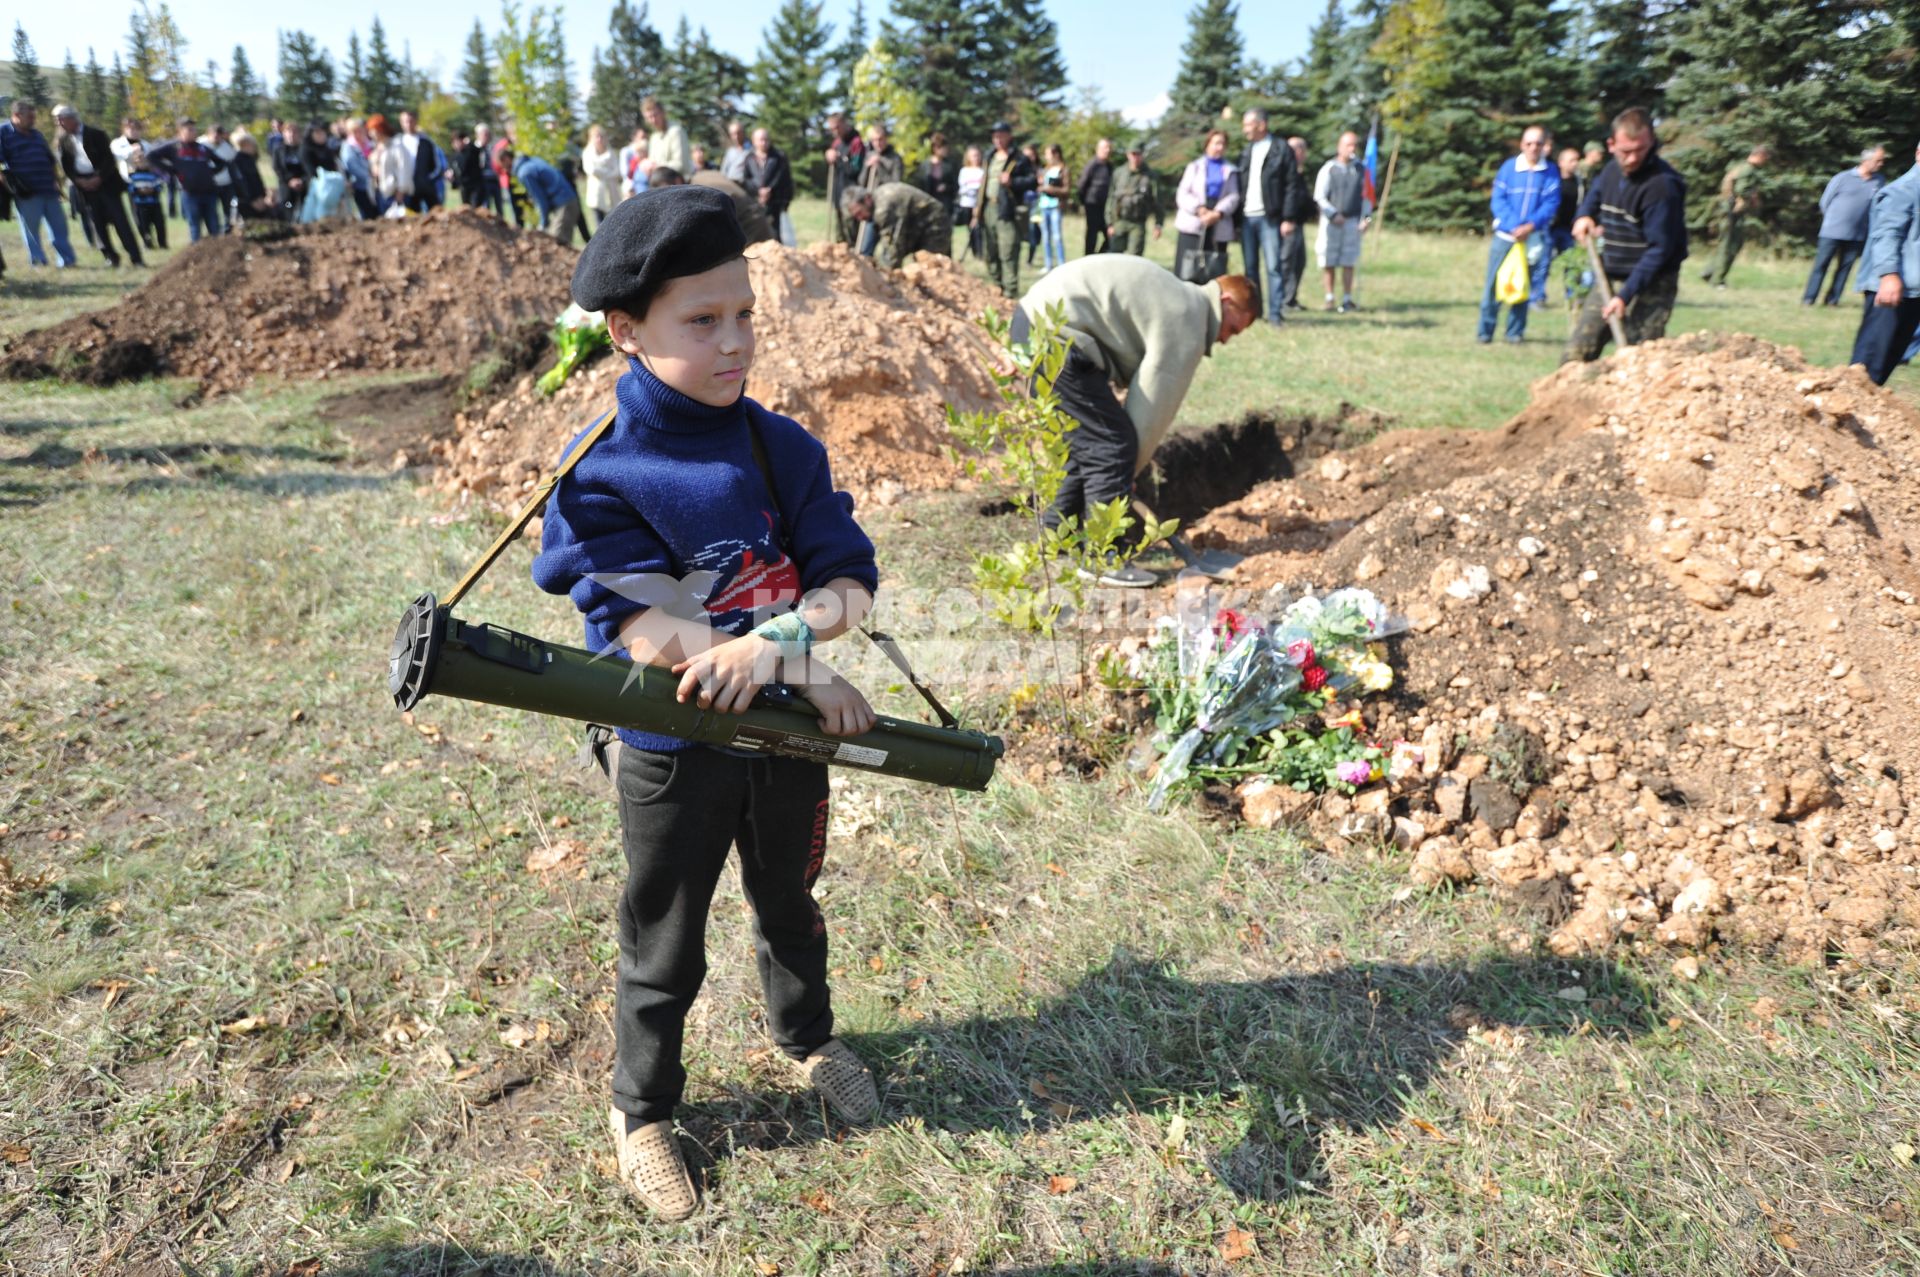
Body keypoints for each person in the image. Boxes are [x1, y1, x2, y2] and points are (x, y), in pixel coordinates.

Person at [530, 184, 884, 1221]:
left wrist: (785, 651)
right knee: (664, 937)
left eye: (744, 315)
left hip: (783, 739)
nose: (734, 343)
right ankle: (643, 1110)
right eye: (702, 320)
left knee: (791, 901)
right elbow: (648, 629)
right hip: (671, 744)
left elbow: (849, 583)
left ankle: (808, 1038)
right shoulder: (603, 470)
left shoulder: (783, 447)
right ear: (628, 331)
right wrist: (799, 667)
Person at [1016, 256, 1257, 586]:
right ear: (1226, 301)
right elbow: (1152, 407)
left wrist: (1119, 471)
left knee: (1089, 444)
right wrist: (1125, 469)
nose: (1226, 339)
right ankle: (1104, 556)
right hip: (1055, 336)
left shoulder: (1184, 300)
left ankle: (1056, 537)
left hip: (1033, 324)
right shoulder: (1188, 320)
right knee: (1112, 445)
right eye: (1232, 328)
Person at [1564, 107, 1689, 363]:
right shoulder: (1610, 171)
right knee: (1577, 353)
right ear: (1611, 145)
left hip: (1653, 280)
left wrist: (1625, 295)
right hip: (1611, 273)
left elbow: (1659, 250)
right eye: (1625, 151)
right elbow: (1595, 195)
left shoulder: (1662, 187)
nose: (1632, 159)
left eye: (1639, 150)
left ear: (1651, 142)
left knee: (1639, 358)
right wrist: (1584, 215)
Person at [1476, 125, 1560, 344]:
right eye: (1529, 143)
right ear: (1522, 145)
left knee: (1523, 287)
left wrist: (1530, 227)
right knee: (1493, 286)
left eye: (1538, 144)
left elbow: (1551, 204)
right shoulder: (1508, 168)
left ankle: (1514, 333)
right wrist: (1514, 225)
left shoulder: (1550, 172)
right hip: (1505, 237)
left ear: (1544, 146)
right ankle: (1485, 332)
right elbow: (1498, 200)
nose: (1533, 148)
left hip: (1532, 239)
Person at [1848, 141, 1920, 385]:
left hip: (1914, 292)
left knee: (1887, 363)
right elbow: (1887, 234)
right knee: (1867, 368)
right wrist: (1889, 275)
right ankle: (1842, 414)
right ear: (1918, 153)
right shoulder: (1904, 190)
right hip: (1892, 289)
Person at [52, 105, 144, 268]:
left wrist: (99, 177)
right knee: (97, 224)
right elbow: (65, 164)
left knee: (120, 221)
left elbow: (109, 159)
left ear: (72, 118)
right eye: (57, 120)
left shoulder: (96, 134)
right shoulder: (63, 140)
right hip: (84, 186)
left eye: (61, 119)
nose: (59, 123)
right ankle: (110, 256)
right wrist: (78, 180)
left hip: (106, 182)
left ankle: (135, 258)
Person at [1237, 108, 1303, 324]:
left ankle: (1275, 314)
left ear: (1261, 125)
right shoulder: (1247, 151)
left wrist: (1288, 218)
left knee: (1274, 267)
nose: (1244, 129)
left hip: (1271, 218)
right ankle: (1255, 313)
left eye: (1248, 124)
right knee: (1250, 268)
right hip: (1247, 218)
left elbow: (1291, 185)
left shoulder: (1281, 149)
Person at [1805, 146, 1886, 306]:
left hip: (1857, 235)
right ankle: (1809, 298)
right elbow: (1825, 202)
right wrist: (1833, 221)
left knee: (1844, 269)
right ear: (1866, 161)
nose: (1881, 164)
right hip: (1831, 233)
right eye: (1878, 160)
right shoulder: (1842, 178)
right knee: (1821, 266)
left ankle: (1832, 300)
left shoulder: (1879, 181)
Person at [1, 101, 79, 268]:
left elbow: (50, 160)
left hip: (48, 188)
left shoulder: (36, 134)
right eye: (30, 117)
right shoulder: (3, 133)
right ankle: (38, 261)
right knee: (31, 229)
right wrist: (9, 186)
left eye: (34, 116)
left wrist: (57, 183)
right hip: (26, 191)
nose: (33, 120)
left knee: (59, 227)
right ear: (16, 115)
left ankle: (67, 260)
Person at [146, 116, 229, 243]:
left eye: (194, 129)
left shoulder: (202, 148)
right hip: (190, 193)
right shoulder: (174, 147)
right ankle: (197, 256)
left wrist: (209, 172)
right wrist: (171, 170)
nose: (193, 132)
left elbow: (221, 162)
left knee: (214, 226)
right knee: (195, 227)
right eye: (189, 130)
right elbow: (151, 156)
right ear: (180, 132)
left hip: (209, 192)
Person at [976, 122, 1035, 299]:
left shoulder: (1018, 158)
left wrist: (1013, 182)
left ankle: (1010, 292)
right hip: (988, 208)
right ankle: (997, 288)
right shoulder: (990, 156)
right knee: (990, 252)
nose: (998, 140)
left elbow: (1032, 181)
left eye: (1001, 135)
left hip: (1007, 210)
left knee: (1008, 251)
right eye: (995, 136)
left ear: (1009, 136)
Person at [1174, 129, 1240, 285]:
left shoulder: (1231, 170)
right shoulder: (1195, 166)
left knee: (1213, 270)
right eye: (1216, 143)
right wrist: (1200, 209)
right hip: (1195, 219)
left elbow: (1234, 195)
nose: (1219, 147)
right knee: (1187, 269)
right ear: (1207, 145)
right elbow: (1183, 192)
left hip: (1218, 219)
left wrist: (1218, 213)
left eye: (1223, 144)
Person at [651, 164, 777, 245]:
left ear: (677, 181)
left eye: (667, 190)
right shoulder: (705, 174)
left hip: (751, 233)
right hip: (761, 221)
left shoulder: (694, 194)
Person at [1315, 131, 1371, 312]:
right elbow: (1320, 196)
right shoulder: (1328, 169)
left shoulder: (1361, 170)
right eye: (1348, 145)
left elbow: (1367, 198)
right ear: (1340, 147)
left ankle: (1347, 298)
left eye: (1354, 145)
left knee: (1349, 260)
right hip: (1331, 223)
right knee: (1328, 260)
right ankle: (1329, 297)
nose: (1352, 149)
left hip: (1352, 221)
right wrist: (1332, 214)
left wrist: (1366, 218)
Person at [840, 182, 951, 269]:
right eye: (856, 216)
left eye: (860, 213)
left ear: (867, 200)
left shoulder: (883, 209)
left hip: (934, 224)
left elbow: (893, 248)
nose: (860, 219)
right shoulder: (876, 202)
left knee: (930, 265)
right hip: (916, 225)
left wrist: (888, 279)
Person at [1703, 144, 1769, 288]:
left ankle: (1710, 273)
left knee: (1727, 244)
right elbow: (1742, 189)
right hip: (1732, 212)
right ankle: (1717, 280)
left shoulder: (1741, 166)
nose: (1766, 162)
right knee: (1730, 246)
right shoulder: (1748, 170)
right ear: (1760, 156)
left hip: (1729, 212)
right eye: (1765, 158)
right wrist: (1752, 197)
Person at [507, 146, 582, 245]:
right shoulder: (533, 160)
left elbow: (541, 199)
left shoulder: (524, 173)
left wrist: (542, 223)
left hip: (565, 204)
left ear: (505, 160)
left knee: (556, 243)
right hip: (567, 200)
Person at [1109, 143, 1162, 256]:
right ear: (1128, 155)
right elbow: (1111, 198)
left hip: (1138, 223)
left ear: (1142, 155)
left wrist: (1158, 224)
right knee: (1114, 257)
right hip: (1119, 221)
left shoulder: (1150, 176)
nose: (1135, 157)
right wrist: (1109, 223)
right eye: (1133, 154)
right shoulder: (1119, 173)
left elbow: (1157, 202)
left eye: (1138, 154)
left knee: (1135, 258)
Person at [744, 128, 794, 247]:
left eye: (766, 139)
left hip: (776, 203)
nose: (764, 143)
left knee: (776, 234)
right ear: (754, 141)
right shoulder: (749, 158)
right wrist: (758, 192)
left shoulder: (779, 157)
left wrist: (770, 190)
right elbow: (746, 179)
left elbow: (783, 178)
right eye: (761, 140)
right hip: (756, 203)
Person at [1547, 145, 1583, 307]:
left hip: (1569, 230)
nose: (1575, 163)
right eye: (1571, 160)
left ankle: (1572, 297)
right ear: (1561, 162)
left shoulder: (1580, 183)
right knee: (1543, 263)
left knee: (1571, 265)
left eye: (1577, 160)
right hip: (1549, 229)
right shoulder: (1552, 181)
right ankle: (1536, 297)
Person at [397, 110, 446, 213]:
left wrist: (428, 179)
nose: (409, 124)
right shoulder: (398, 143)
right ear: (401, 123)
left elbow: (438, 165)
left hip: (427, 187)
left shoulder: (427, 142)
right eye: (406, 121)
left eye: (411, 121)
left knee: (436, 214)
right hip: (408, 188)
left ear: (416, 121)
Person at [1281, 136, 1309, 308]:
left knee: (1299, 262)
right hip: (1288, 225)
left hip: (1299, 224)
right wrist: (1287, 218)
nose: (1301, 153)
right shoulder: (1284, 173)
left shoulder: (1299, 173)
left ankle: (1291, 298)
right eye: (1299, 149)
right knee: (1287, 262)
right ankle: (1284, 299)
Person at [227, 130, 277, 225]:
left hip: (257, 200)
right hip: (246, 203)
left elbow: (256, 181)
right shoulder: (237, 161)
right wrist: (252, 200)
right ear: (246, 145)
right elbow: (241, 183)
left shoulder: (249, 160)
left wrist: (263, 195)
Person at [1077, 137, 1114, 257]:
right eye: (1105, 148)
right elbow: (1081, 185)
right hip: (1092, 205)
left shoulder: (1110, 166)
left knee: (1110, 236)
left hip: (1106, 207)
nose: (1107, 150)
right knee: (1092, 235)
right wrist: (1085, 202)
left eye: (1109, 148)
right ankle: (1088, 259)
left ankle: (1099, 256)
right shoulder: (1092, 165)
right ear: (1098, 149)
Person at [126, 145, 169, 245]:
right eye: (138, 160)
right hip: (141, 205)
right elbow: (131, 188)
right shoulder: (133, 176)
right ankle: (147, 242)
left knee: (159, 224)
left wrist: (152, 190)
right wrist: (140, 191)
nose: (142, 162)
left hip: (154, 203)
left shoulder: (153, 174)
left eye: (144, 160)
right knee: (144, 225)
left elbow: (159, 185)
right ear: (134, 162)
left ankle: (162, 243)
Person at [582, 125, 622, 233]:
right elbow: (591, 170)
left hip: (612, 194)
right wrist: (607, 172)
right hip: (597, 196)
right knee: (600, 227)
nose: (599, 139)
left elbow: (617, 171)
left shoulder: (611, 153)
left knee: (614, 224)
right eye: (596, 136)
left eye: (601, 136)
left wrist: (602, 172)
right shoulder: (588, 153)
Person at [1036, 144, 1070, 271]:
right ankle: (1048, 264)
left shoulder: (1063, 170)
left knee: (1057, 237)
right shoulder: (1045, 169)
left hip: (1055, 206)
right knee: (1045, 237)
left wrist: (1050, 189)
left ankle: (1061, 265)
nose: (1046, 157)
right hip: (1044, 206)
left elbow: (1066, 190)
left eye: (1048, 154)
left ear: (1056, 154)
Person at [914, 132, 957, 227]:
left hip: (944, 204)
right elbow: (920, 185)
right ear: (935, 148)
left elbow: (955, 186)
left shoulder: (949, 165)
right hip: (928, 203)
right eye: (943, 148)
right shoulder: (924, 165)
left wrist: (946, 187)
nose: (946, 150)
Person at [339, 118, 378, 219]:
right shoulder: (348, 147)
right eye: (354, 131)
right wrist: (368, 175)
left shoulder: (370, 144)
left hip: (375, 185)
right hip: (360, 186)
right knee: (367, 214)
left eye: (360, 130)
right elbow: (352, 166)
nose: (358, 133)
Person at [642, 97, 690, 179]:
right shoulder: (654, 137)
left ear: (663, 113)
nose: (653, 120)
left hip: (678, 185)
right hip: (660, 185)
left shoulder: (676, 131)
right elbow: (652, 162)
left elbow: (680, 165)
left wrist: (655, 166)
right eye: (649, 117)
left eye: (655, 115)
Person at [203, 123, 238, 231]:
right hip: (209, 184)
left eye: (219, 134)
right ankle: (214, 231)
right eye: (214, 134)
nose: (216, 137)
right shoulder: (201, 146)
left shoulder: (227, 148)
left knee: (228, 209)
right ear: (208, 134)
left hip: (226, 183)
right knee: (211, 210)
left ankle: (227, 230)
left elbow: (232, 165)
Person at [273, 118, 309, 218]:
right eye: (288, 131)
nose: (291, 134)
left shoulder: (304, 149)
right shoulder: (278, 149)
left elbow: (308, 168)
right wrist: (289, 180)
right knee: (288, 207)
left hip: (303, 186)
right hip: (286, 186)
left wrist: (302, 180)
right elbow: (277, 168)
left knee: (303, 210)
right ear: (284, 133)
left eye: (294, 131)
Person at [956, 145, 985, 257]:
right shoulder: (964, 171)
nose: (975, 158)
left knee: (979, 230)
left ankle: (980, 252)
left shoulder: (983, 170)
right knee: (971, 229)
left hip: (979, 204)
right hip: (967, 204)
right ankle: (974, 252)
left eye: (977, 155)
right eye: (973, 156)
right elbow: (962, 187)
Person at [472, 123, 505, 217]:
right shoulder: (474, 149)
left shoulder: (492, 148)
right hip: (483, 181)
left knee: (499, 206)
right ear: (478, 135)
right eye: (484, 134)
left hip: (494, 179)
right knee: (486, 206)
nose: (486, 136)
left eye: (487, 134)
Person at [1021, 144, 1044, 265]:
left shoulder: (1040, 169)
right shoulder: (1019, 169)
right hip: (1022, 204)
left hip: (1036, 204)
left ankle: (1030, 259)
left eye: (1031, 155)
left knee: (1033, 231)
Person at [620, 129, 651, 198]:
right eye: (642, 137)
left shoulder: (649, 162)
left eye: (645, 137)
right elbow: (626, 173)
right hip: (633, 191)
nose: (643, 139)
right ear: (634, 137)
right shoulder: (627, 152)